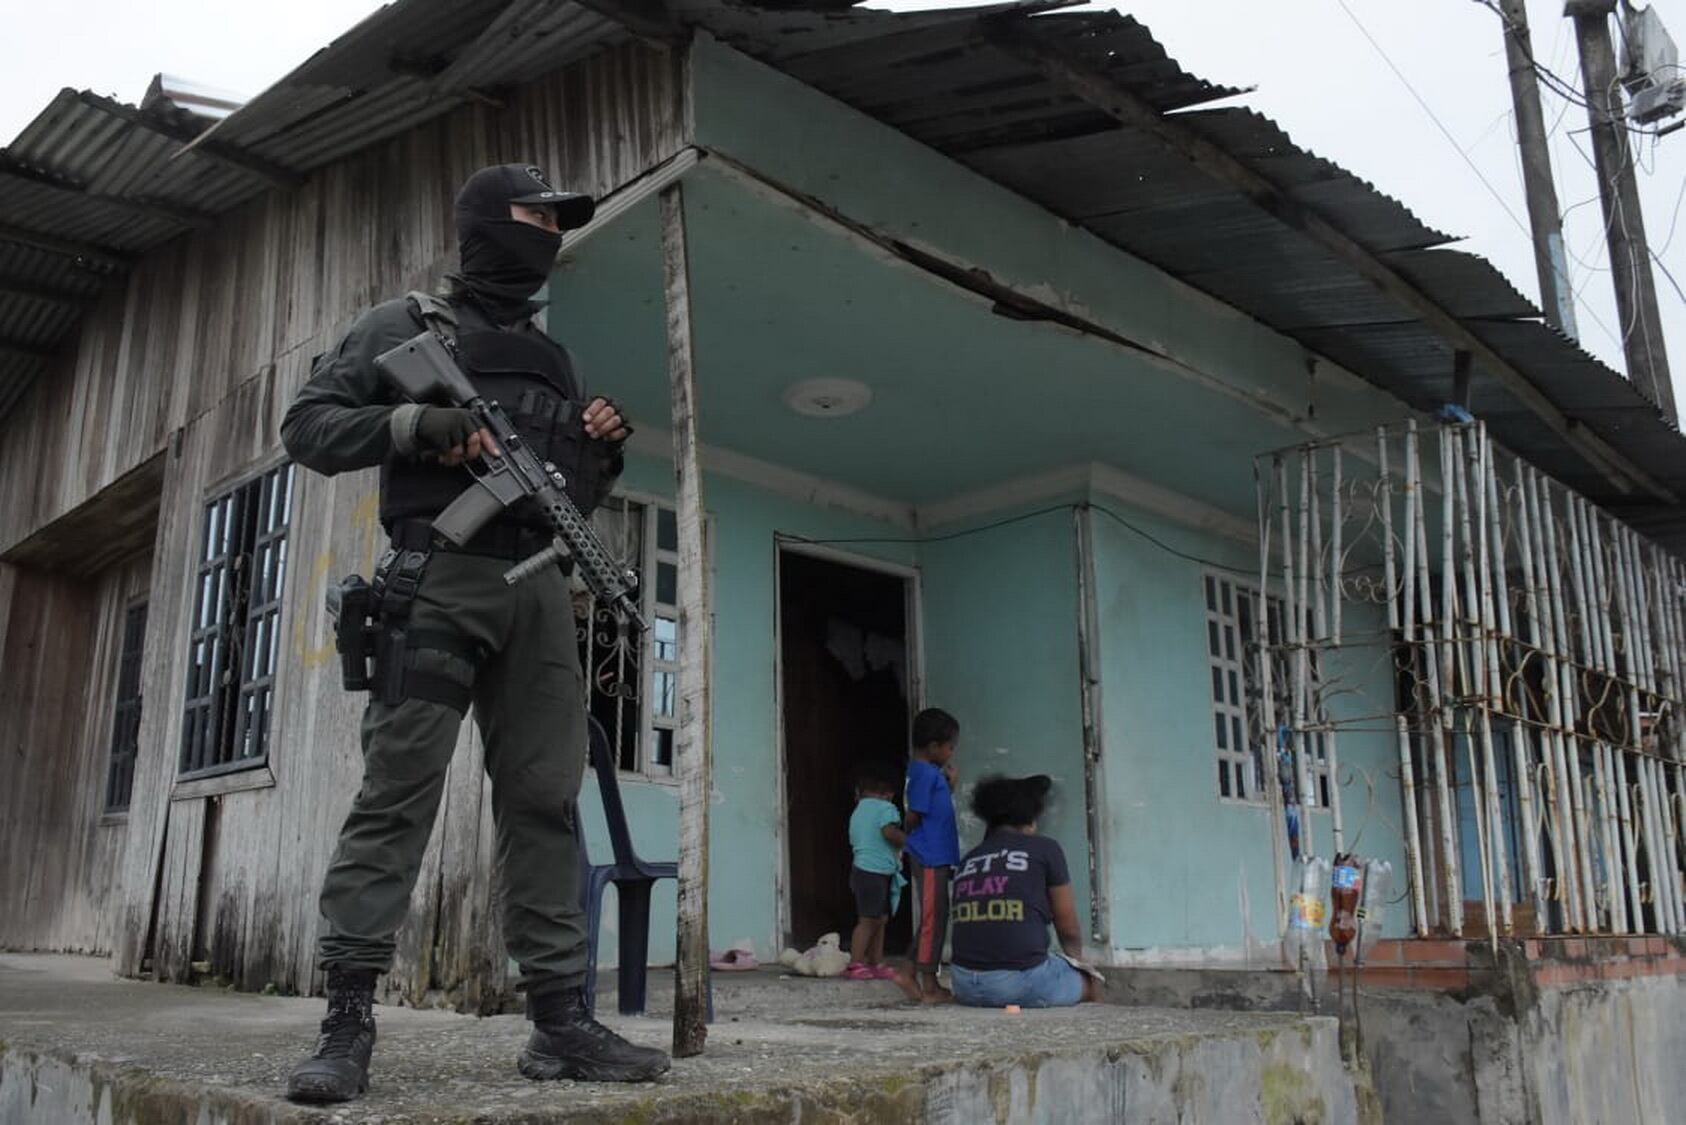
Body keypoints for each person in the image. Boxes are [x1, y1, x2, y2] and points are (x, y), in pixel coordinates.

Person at [278, 164, 669, 1103]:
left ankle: (559, 1022)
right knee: (398, 791)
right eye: (537, 215)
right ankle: (347, 1018)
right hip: (439, 579)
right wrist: (416, 422)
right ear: (490, 224)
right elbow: (308, 427)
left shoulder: (551, 358)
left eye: (556, 221)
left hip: (537, 589)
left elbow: (570, 496)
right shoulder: (402, 326)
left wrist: (601, 450)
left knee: (544, 798)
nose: (550, 234)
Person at [948, 775, 1100, 1009]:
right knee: (1089, 984)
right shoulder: (1046, 849)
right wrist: (1077, 962)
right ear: (1030, 819)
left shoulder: (970, 858)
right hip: (1018, 983)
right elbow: (1067, 926)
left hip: (963, 984)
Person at [893, 707, 960, 1003]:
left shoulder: (929, 772)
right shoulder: (923, 773)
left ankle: (908, 970)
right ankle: (929, 985)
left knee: (936, 915)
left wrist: (949, 786)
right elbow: (915, 812)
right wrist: (909, 836)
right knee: (934, 917)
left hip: (937, 853)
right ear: (934, 747)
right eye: (950, 747)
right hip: (930, 854)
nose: (951, 752)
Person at [845, 765, 906, 981]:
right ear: (889, 794)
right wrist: (910, 841)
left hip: (863, 869)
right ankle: (856, 963)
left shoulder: (859, 809)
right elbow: (889, 833)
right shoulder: (886, 809)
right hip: (875, 871)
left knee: (878, 918)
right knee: (870, 920)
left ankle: (874, 962)